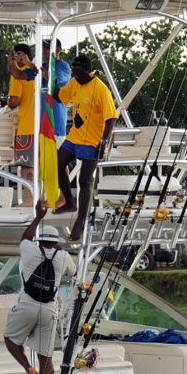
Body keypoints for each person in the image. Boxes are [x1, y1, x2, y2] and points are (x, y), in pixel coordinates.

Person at [4, 201, 75, 374]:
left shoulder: (29, 250)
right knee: (46, 358)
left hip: (27, 304)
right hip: (49, 310)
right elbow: (74, 274)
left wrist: (38, 217)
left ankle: (27, 367)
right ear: (55, 243)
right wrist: (60, 251)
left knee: (11, 340)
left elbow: (25, 237)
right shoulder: (63, 257)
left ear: (39, 240)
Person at [55, 54, 118, 241]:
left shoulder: (100, 89)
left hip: (93, 141)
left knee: (84, 181)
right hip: (75, 136)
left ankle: (80, 222)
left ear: (88, 71)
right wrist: (46, 78)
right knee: (57, 164)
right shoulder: (75, 82)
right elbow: (59, 97)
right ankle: (69, 202)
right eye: (73, 72)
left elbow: (112, 118)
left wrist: (104, 142)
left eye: (78, 72)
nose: (75, 76)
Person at [8, 39, 71, 137]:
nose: (43, 50)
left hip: (55, 126)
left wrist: (28, 63)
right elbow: (19, 75)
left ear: (58, 50)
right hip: (40, 128)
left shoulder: (63, 66)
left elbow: (50, 78)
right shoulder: (41, 65)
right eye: (42, 48)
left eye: (47, 47)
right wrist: (13, 62)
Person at [7, 43, 38, 206]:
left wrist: (7, 100)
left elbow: (14, 101)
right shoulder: (36, 72)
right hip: (43, 127)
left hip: (27, 126)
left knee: (26, 165)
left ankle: (30, 198)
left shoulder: (18, 76)